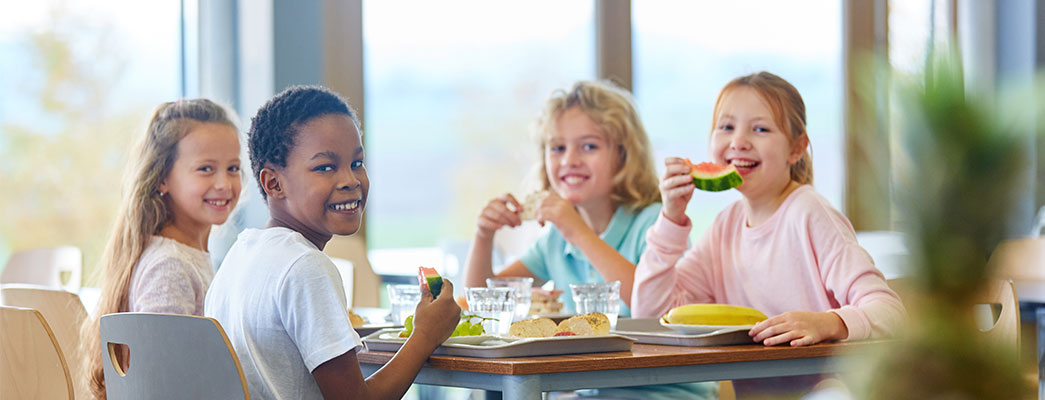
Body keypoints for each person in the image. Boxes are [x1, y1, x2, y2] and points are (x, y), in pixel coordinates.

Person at [633, 72, 906, 396]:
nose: (739, 141)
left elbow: (890, 311)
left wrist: (827, 323)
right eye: (726, 127)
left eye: (760, 129)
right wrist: (670, 219)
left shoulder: (809, 213)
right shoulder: (725, 226)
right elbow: (650, 314)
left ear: (796, 148)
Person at [204, 85, 460, 399]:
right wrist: (425, 335)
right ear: (274, 183)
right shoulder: (305, 266)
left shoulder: (240, 254)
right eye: (325, 167)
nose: (350, 180)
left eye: (357, 163)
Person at [465, 80, 715, 399]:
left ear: (624, 156)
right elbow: (484, 305)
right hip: (593, 392)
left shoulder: (654, 222)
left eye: (589, 146)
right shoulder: (556, 240)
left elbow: (651, 306)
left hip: (666, 390)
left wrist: (577, 232)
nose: (569, 159)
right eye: (557, 148)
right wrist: (483, 235)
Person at [81, 98, 242, 399]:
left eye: (233, 168)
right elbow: (164, 383)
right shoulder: (170, 267)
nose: (224, 183)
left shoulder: (185, 256)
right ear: (163, 178)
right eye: (206, 169)